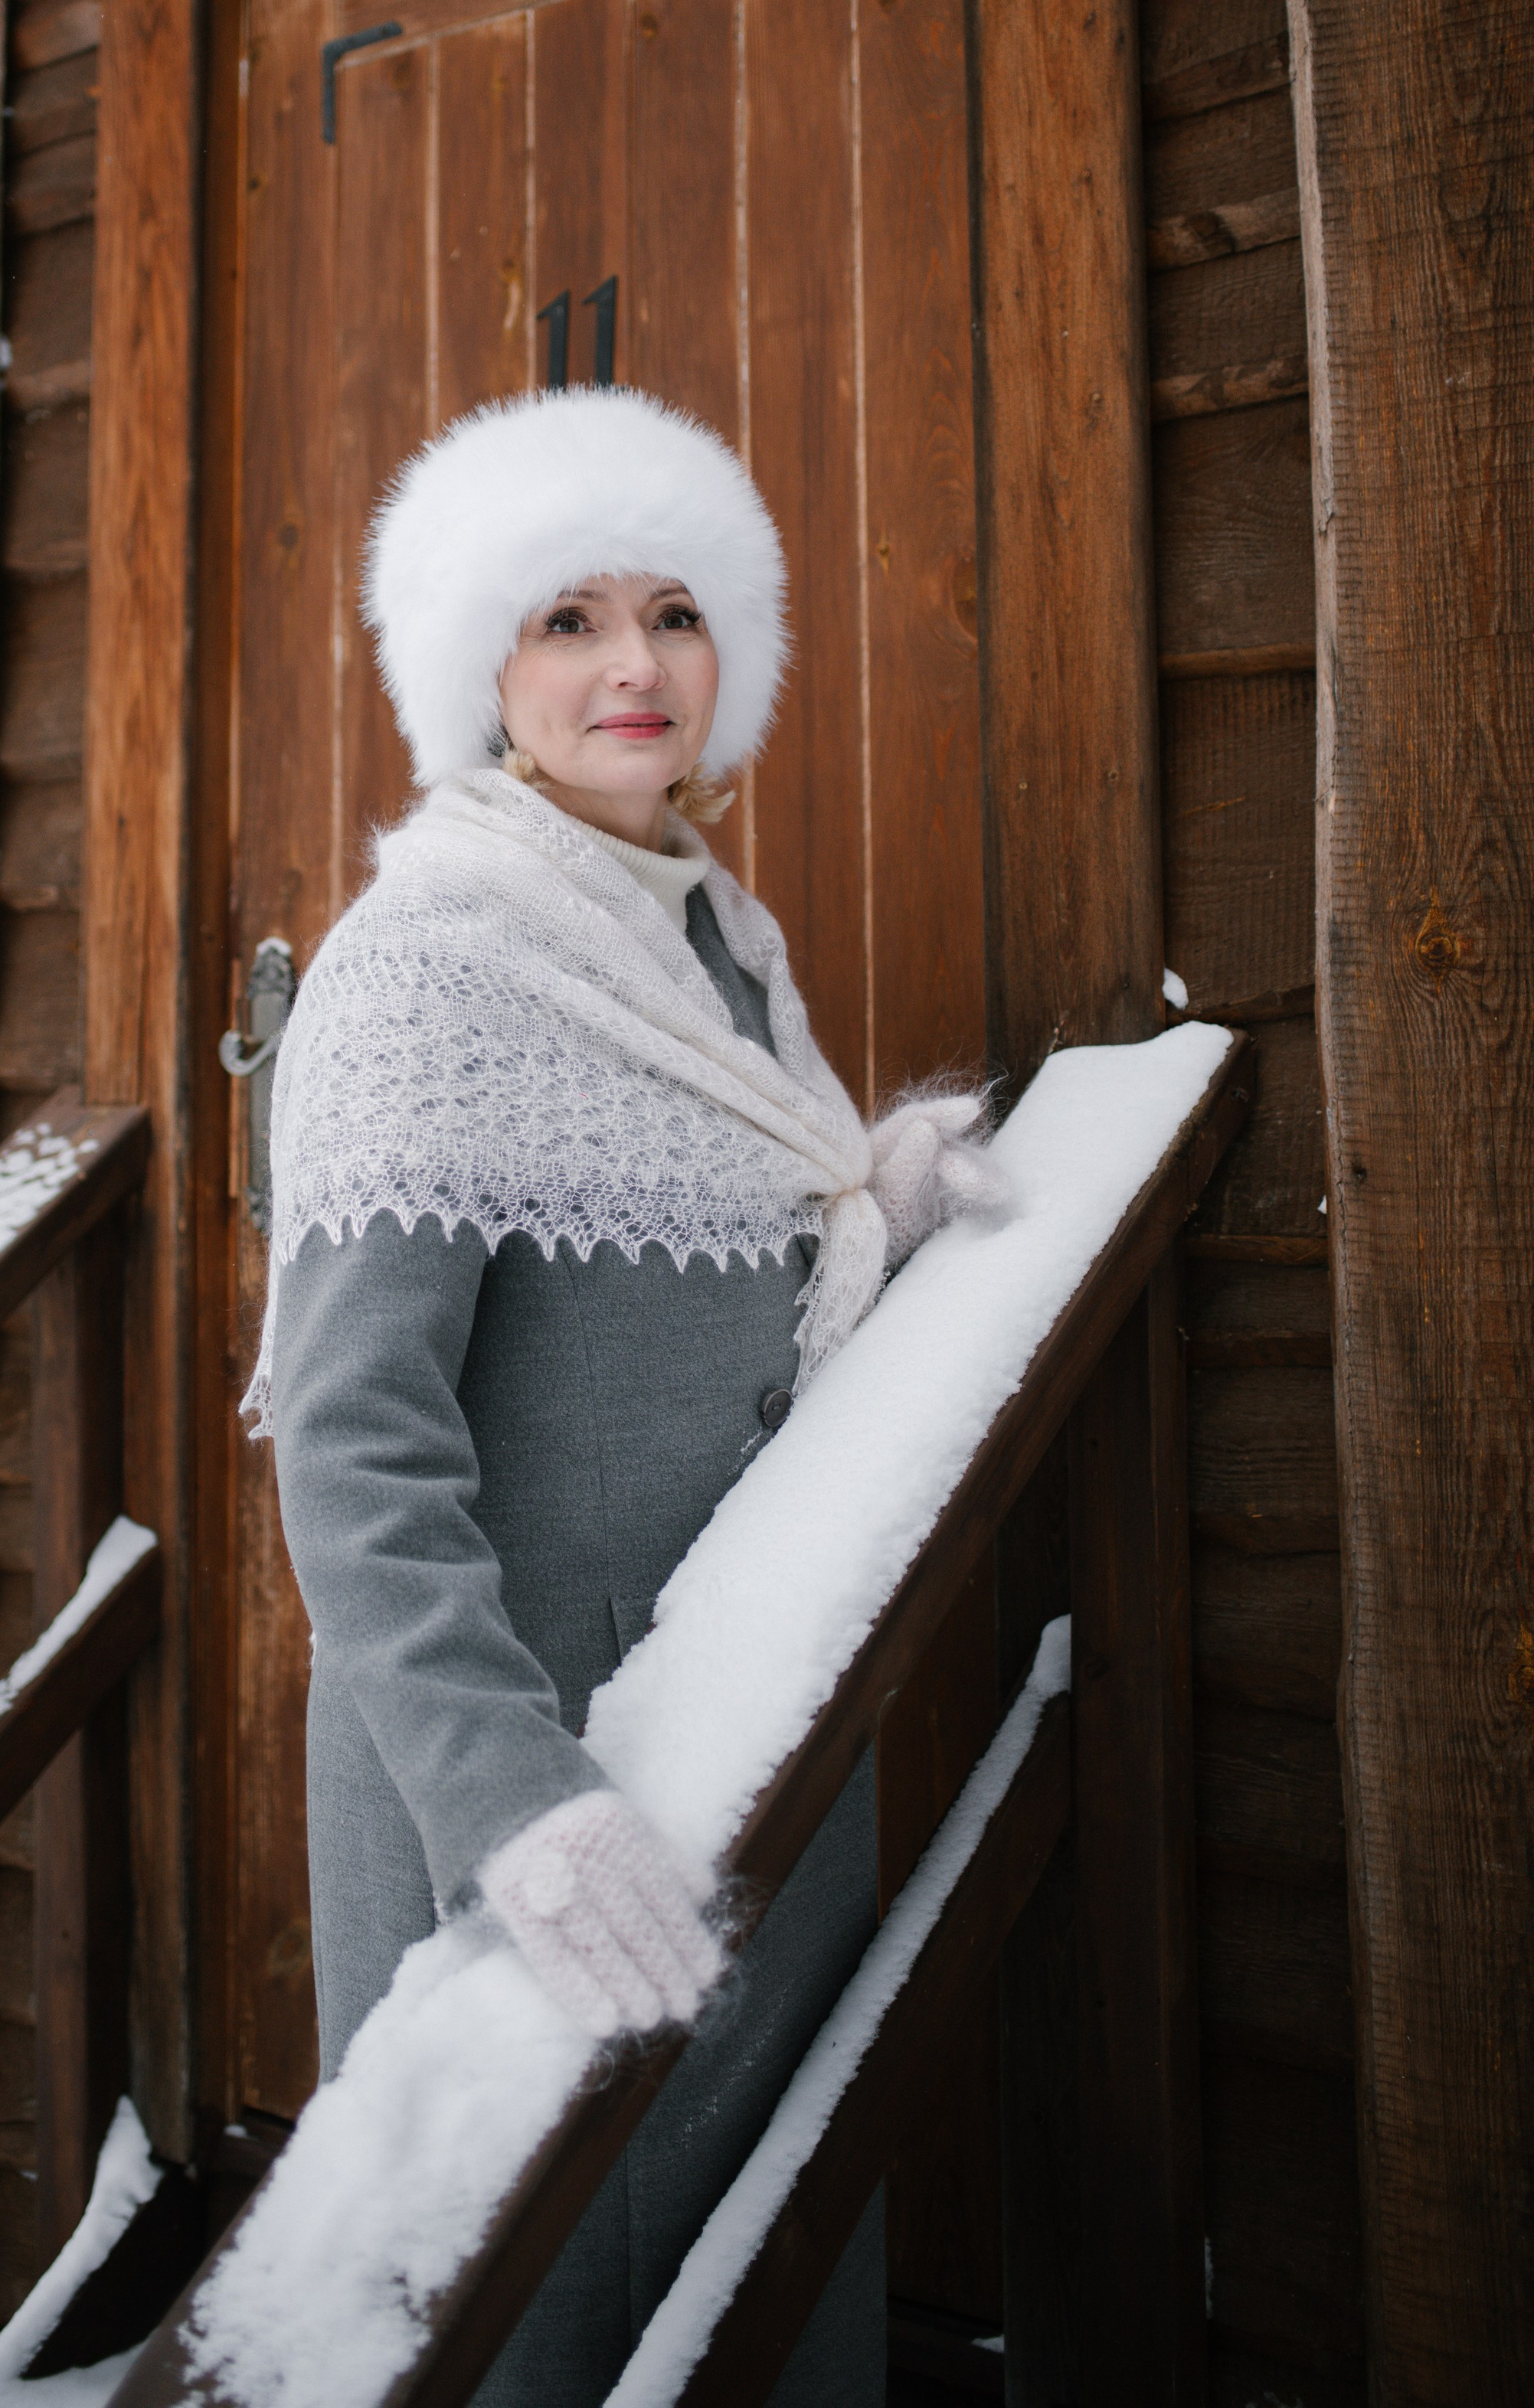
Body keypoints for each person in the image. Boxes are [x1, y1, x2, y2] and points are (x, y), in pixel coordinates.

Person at [251, 387, 999, 2405]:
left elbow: (715, 1274)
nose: (633, 665)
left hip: (747, 1711)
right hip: (538, 1773)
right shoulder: (423, 965)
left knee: (753, 2267)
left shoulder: (717, 936)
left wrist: (871, 1215)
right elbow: (350, 1437)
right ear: (481, 671)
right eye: (567, 619)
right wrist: (512, 1802)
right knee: (539, 2308)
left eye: (673, 612)